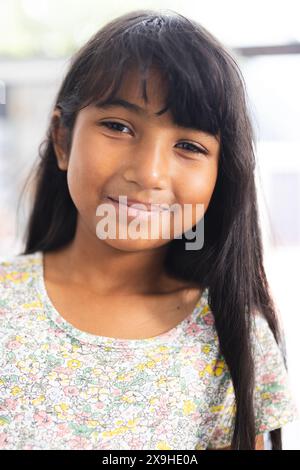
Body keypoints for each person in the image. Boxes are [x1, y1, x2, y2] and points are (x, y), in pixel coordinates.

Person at [0, 9, 298, 450]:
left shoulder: (234, 335)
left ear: (222, 176)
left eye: (189, 146)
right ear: (62, 139)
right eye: (118, 126)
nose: (149, 172)